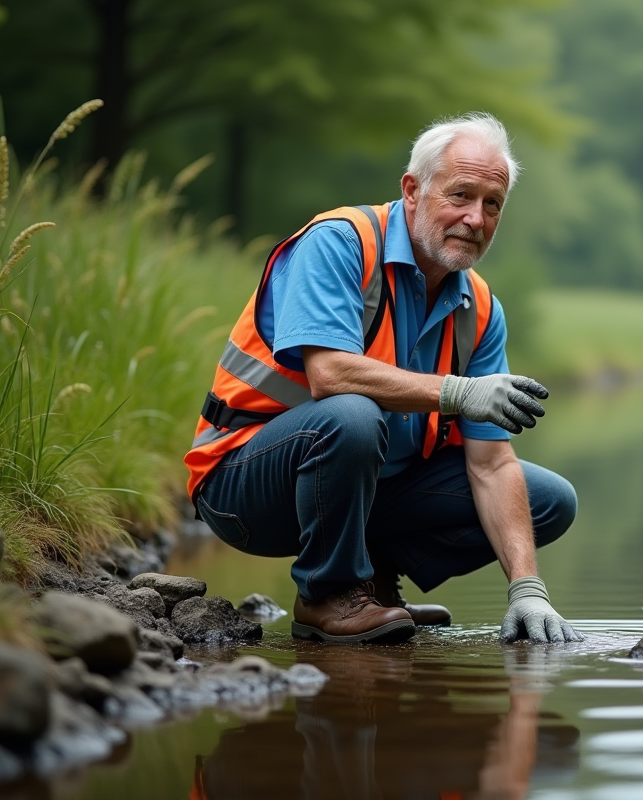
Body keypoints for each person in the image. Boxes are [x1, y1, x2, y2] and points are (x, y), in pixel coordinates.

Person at [183, 113, 581, 646]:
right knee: (352, 412)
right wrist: (458, 393)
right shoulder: (340, 243)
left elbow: (491, 464)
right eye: (460, 195)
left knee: (550, 499)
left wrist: (527, 588)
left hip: (362, 491)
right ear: (413, 190)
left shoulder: (481, 309)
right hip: (244, 484)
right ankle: (328, 593)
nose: (475, 218)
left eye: (493, 204)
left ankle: (370, 581)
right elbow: (329, 375)